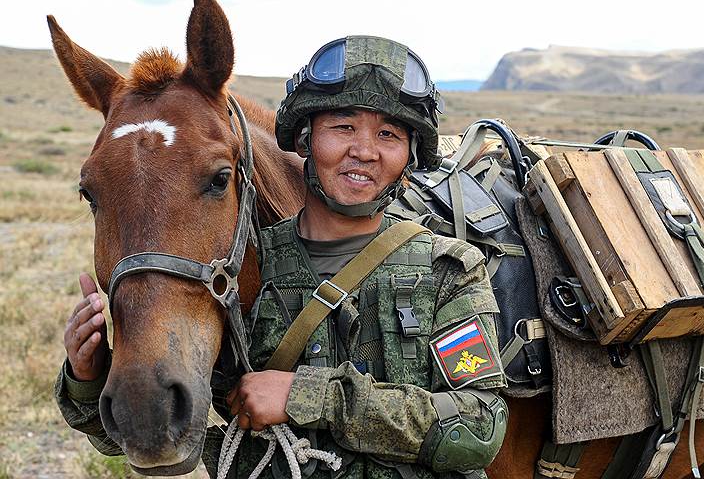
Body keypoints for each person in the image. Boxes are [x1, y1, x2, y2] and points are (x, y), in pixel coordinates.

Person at [56, 35, 508, 478]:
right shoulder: (248, 275)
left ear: (410, 154)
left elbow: (479, 427)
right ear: (305, 140)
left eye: (388, 134)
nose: (365, 151)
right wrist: (89, 377)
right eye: (343, 127)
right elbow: (154, 436)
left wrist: (306, 397)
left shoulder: (448, 270)